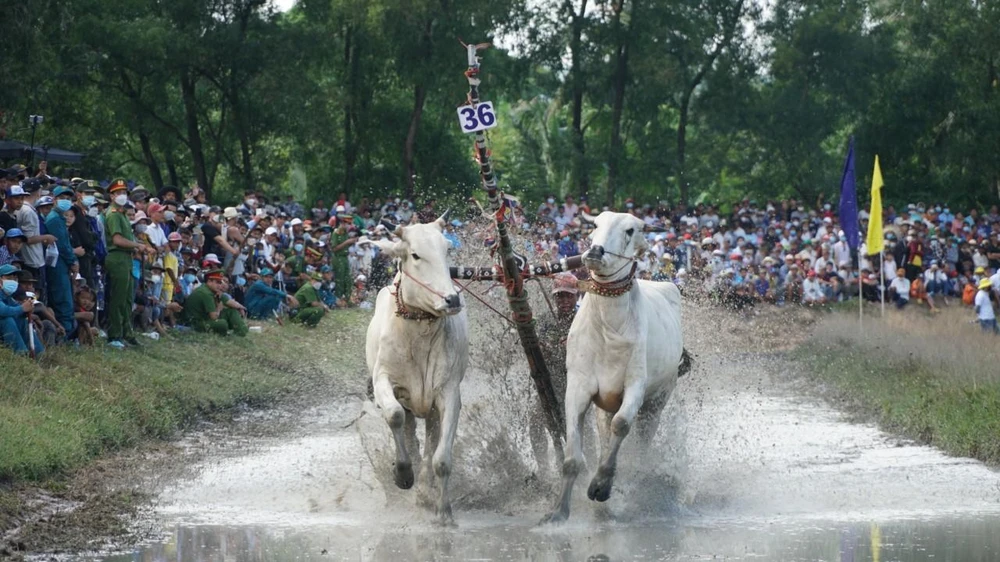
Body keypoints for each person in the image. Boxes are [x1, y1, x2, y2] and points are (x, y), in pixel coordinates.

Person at [105, 180, 155, 349]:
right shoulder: (113, 214)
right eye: (118, 193)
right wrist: (137, 246)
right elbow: (117, 240)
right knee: (118, 299)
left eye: (124, 192)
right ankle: (114, 335)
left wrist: (138, 247)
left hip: (126, 258)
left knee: (127, 299)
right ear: (111, 196)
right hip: (117, 258)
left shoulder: (122, 214)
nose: (122, 195)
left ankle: (127, 332)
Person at [45, 187, 79, 335]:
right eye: (62, 197)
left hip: (61, 264)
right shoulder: (54, 219)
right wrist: (72, 261)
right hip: (58, 264)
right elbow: (63, 246)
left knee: (66, 300)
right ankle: (65, 336)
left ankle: (68, 333)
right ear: (54, 199)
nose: (66, 201)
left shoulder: (59, 218)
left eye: (68, 198)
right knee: (63, 301)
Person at [183, 269, 248, 336]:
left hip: (205, 319)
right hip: (196, 323)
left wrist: (241, 308)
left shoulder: (211, 290)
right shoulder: (205, 293)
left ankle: (242, 332)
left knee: (231, 311)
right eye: (217, 282)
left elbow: (230, 302)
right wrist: (219, 309)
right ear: (209, 281)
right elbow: (214, 317)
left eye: (220, 283)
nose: (220, 285)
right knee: (222, 323)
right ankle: (228, 334)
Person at [0, 264, 43, 355]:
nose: (12, 280)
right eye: (9, 277)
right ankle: (21, 354)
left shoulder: (6, 294)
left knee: (22, 319)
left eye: (14, 278)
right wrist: (22, 308)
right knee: (7, 320)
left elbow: (17, 308)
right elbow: (3, 311)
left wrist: (28, 308)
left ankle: (39, 354)